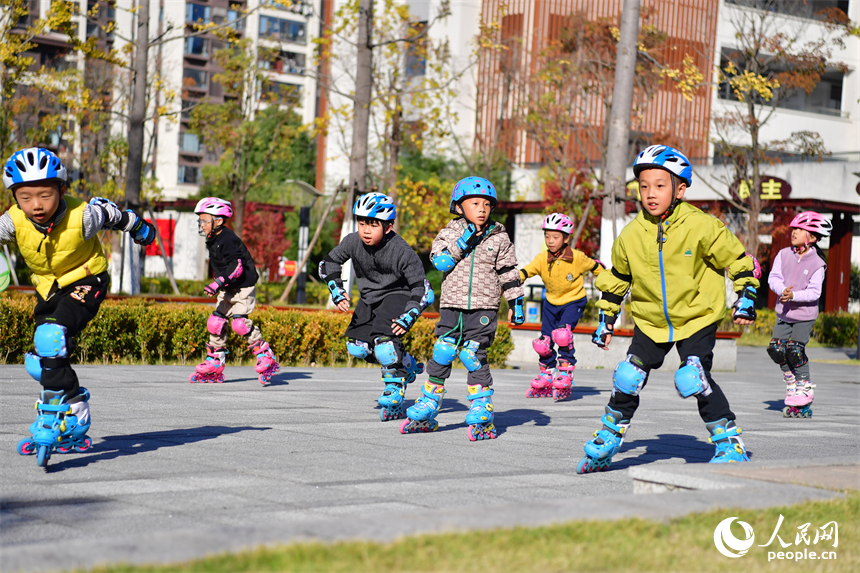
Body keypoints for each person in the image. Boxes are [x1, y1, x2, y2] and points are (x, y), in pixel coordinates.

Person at [578, 144, 760, 473]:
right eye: (644, 186)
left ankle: (728, 441)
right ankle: (607, 438)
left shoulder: (702, 225)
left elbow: (736, 259)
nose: (650, 193)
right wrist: (606, 320)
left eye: (660, 185)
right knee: (628, 376)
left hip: (696, 316)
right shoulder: (631, 234)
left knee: (694, 376)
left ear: (680, 188)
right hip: (650, 321)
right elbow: (618, 279)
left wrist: (746, 295)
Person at [1, 147, 156, 467]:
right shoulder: (13, 220)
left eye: (45, 195)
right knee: (42, 360)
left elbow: (115, 215)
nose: (36, 205)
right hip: (50, 290)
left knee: (50, 338)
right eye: (25, 197)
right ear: (15, 196)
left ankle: (51, 416)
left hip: (87, 280)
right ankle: (77, 410)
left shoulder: (83, 216)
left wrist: (139, 227)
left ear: (62, 189)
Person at [400, 176, 525, 441]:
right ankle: (429, 401)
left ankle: (482, 404)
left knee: (472, 354)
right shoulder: (449, 233)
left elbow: (510, 273)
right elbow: (441, 262)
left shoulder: (500, 237)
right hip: (452, 305)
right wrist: (463, 241)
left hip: (484, 307)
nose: (482, 209)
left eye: (487, 204)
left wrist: (515, 303)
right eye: (475, 203)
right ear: (459, 207)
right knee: (443, 350)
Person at [319, 192, 433, 421]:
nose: (366, 230)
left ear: (388, 226)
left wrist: (410, 313)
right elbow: (328, 263)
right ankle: (406, 364)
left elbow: (422, 287)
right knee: (357, 348)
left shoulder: (402, 251)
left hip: (398, 296)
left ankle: (394, 388)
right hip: (369, 298)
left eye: (373, 225)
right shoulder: (353, 241)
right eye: (362, 223)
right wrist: (337, 290)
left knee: (384, 346)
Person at [192, 197, 280, 385]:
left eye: (205, 220)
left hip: (243, 288)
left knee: (239, 324)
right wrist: (221, 284)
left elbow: (237, 267)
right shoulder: (213, 238)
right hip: (228, 287)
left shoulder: (228, 239)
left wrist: (218, 283)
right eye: (201, 220)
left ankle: (265, 354)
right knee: (216, 322)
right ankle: (215, 361)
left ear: (219, 221)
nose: (202, 224)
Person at [519, 213, 605, 400]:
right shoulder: (543, 258)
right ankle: (546, 374)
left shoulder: (577, 258)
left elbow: (596, 267)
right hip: (551, 303)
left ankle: (565, 371)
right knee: (544, 342)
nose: (550, 241)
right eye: (547, 236)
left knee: (562, 335)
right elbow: (528, 270)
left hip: (574, 301)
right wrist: (512, 278)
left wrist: (610, 281)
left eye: (555, 237)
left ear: (566, 238)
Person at [767, 211, 830, 418]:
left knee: (794, 350)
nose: (793, 232)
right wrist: (781, 290)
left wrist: (793, 294)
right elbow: (773, 277)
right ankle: (791, 381)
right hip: (784, 313)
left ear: (811, 237)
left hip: (804, 316)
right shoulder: (784, 254)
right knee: (776, 349)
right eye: (793, 228)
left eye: (799, 230)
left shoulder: (818, 264)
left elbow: (814, 293)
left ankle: (804, 387)